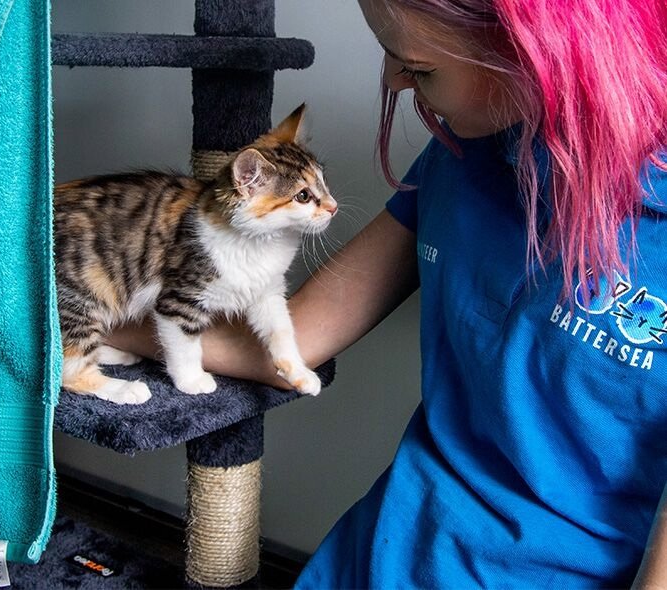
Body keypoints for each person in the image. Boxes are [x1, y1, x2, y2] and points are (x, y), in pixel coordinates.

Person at [114, 0, 667, 585]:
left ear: (540, 52)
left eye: (419, 68)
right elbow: (297, 338)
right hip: (381, 552)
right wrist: (80, 321)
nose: (391, 81)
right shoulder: (467, 150)